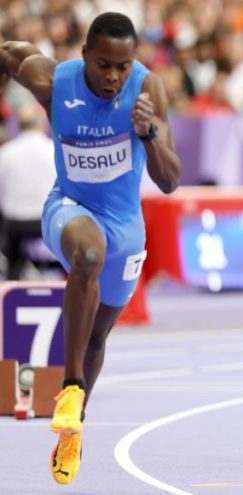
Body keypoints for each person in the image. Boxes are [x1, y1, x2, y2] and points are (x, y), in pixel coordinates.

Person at [0, 12, 181, 483]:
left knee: (97, 336)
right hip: (69, 205)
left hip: (126, 226)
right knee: (88, 255)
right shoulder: (52, 81)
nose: (113, 77)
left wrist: (151, 134)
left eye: (123, 66)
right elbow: (8, 53)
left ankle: (71, 428)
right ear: (83, 56)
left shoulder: (147, 90)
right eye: (103, 65)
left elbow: (170, 180)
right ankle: (71, 388)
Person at [0, 106, 57, 280]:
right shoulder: (53, 150)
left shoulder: (6, 153)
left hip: (15, 223)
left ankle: (13, 276)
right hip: (48, 222)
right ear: (44, 125)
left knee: (10, 242)